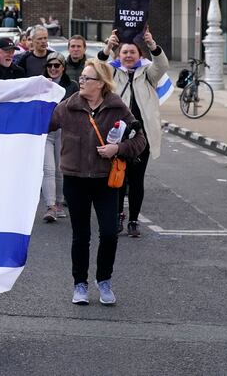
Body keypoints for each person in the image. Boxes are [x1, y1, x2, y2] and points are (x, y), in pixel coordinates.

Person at [50, 59, 146, 306]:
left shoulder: (118, 108)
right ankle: (79, 284)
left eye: (87, 78)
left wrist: (118, 148)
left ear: (101, 84)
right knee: (81, 236)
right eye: (81, 77)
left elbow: (140, 141)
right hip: (75, 179)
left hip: (105, 182)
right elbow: (41, 123)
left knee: (109, 233)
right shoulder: (68, 107)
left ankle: (104, 280)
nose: (81, 81)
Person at [99, 28, 168, 237]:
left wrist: (152, 44)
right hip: (118, 136)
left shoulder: (148, 75)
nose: (128, 56)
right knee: (119, 176)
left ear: (140, 56)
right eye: (124, 53)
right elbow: (97, 68)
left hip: (142, 137)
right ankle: (119, 215)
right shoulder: (112, 74)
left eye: (132, 53)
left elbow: (162, 65)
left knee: (137, 180)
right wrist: (108, 47)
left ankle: (134, 220)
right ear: (119, 56)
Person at [41, 51, 78, 222]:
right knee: (47, 169)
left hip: (64, 131)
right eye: (50, 65)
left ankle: (60, 203)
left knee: (60, 170)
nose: (53, 68)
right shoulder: (40, 84)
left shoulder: (72, 86)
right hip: (45, 131)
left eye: (57, 65)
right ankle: (50, 206)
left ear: (63, 67)